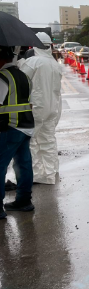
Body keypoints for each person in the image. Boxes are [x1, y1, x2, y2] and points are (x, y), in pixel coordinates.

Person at [17, 32, 62, 185]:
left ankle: (37, 175)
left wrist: (20, 62)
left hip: (36, 108)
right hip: (52, 108)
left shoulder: (32, 62)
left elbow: (21, 80)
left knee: (33, 141)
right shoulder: (55, 64)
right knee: (48, 140)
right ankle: (50, 172)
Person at [0, 45, 36, 219]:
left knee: (0, 165)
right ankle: (24, 201)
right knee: (23, 164)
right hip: (25, 127)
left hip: (9, 127)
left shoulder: (2, 77)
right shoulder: (24, 76)